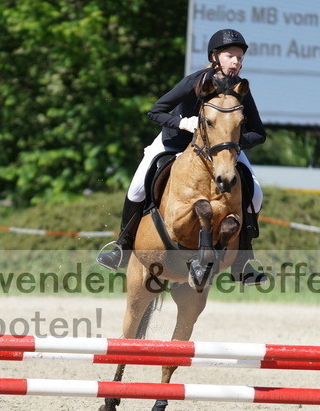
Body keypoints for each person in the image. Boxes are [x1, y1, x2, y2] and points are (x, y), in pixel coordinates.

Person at [97, 28, 267, 284]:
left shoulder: (240, 89)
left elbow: (259, 133)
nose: (236, 62)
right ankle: (122, 246)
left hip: (221, 151)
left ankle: (242, 262)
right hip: (175, 144)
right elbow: (155, 112)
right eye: (230, 56)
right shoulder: (194, 82)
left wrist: (231, 141)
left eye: (240, 57)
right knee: (136, 188)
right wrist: (181, 123)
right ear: (215, 57)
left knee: (256, 193)